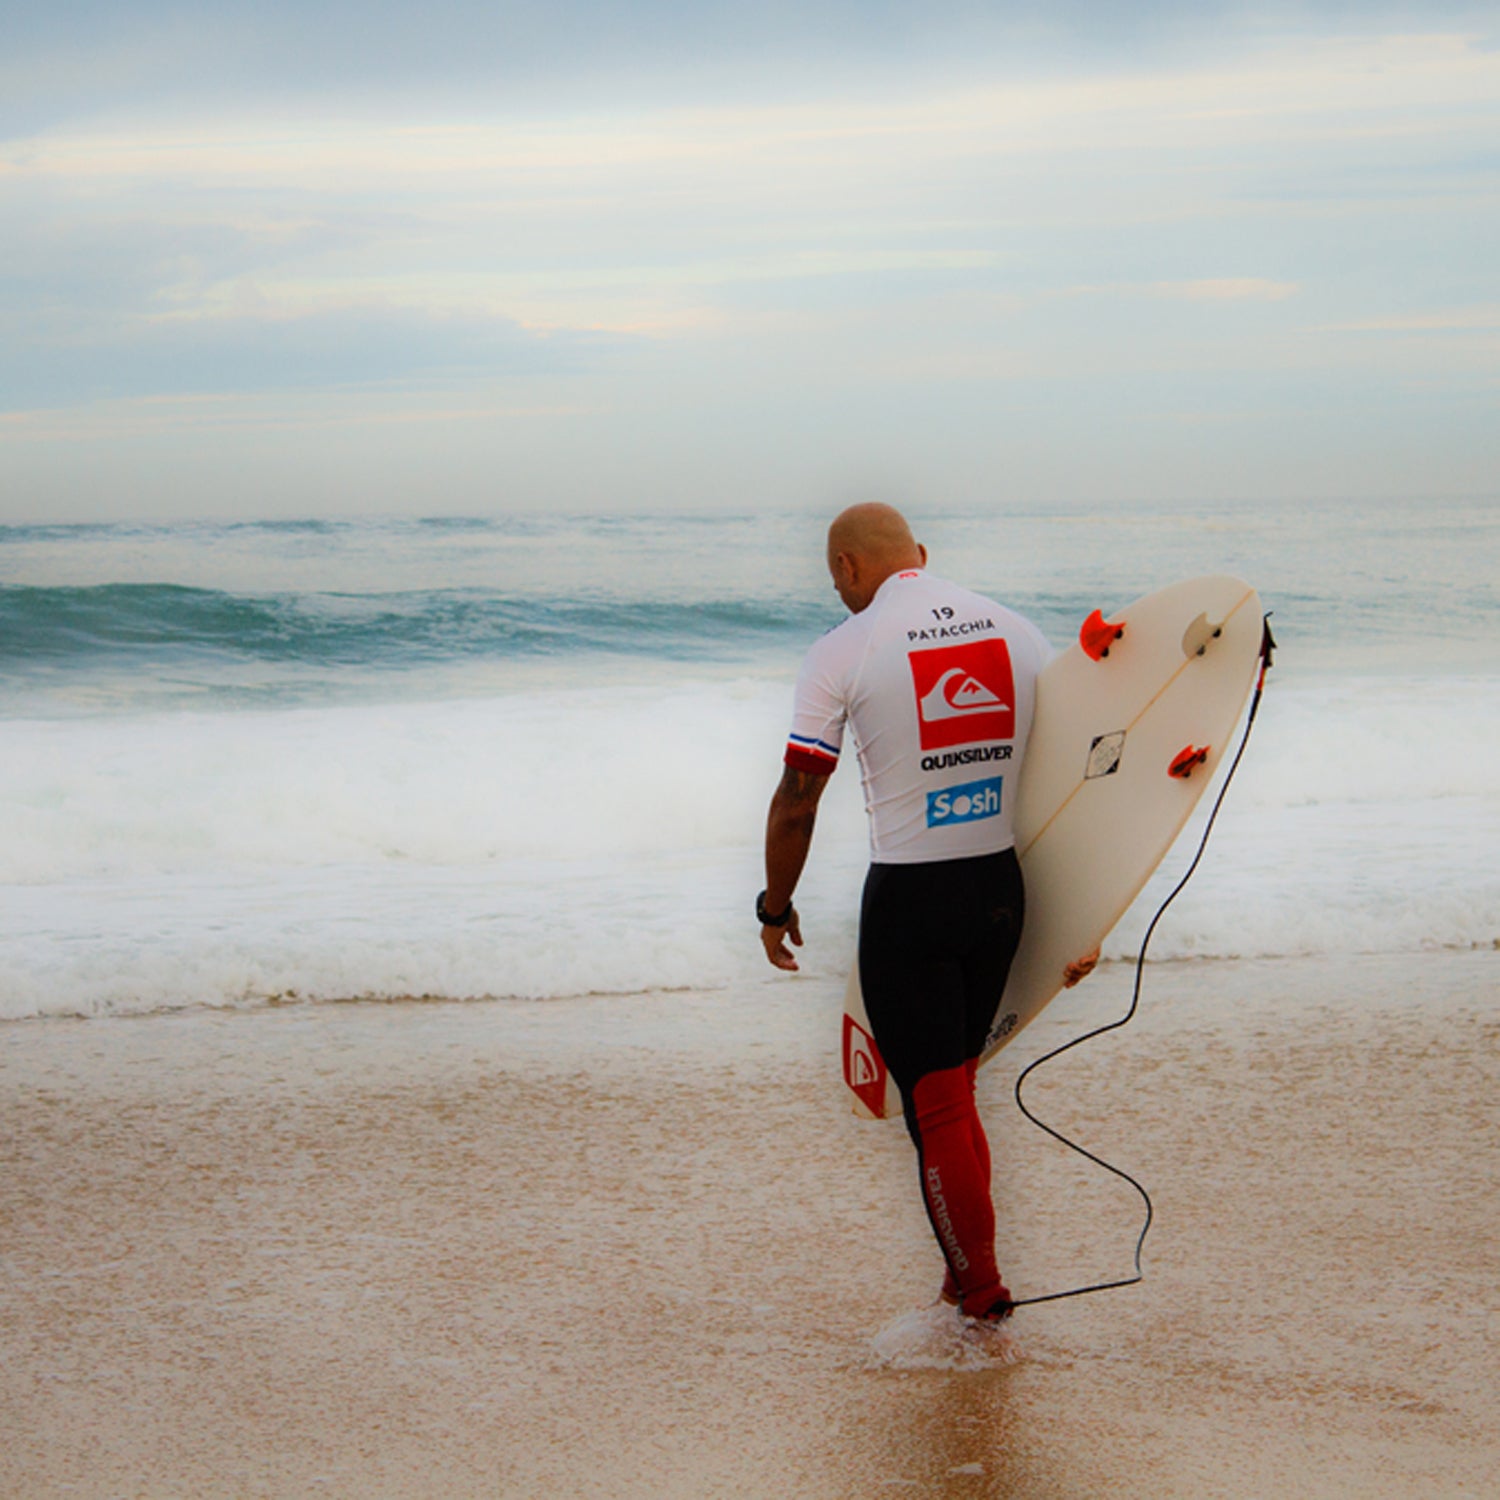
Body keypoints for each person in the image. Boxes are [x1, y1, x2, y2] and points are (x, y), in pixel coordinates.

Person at [758, 502, 1096, 1323]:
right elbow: (1065, 778)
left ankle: (980, 1292)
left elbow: (800, 799)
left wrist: (775, 905)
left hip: (912, 902)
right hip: (1000, 895)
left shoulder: (844, 649)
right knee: (959, 1090)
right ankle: (962, 1274)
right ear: (921, 553)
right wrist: (1084, 918)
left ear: (844, 567)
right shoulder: (1017, 630)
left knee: (937, 1104)